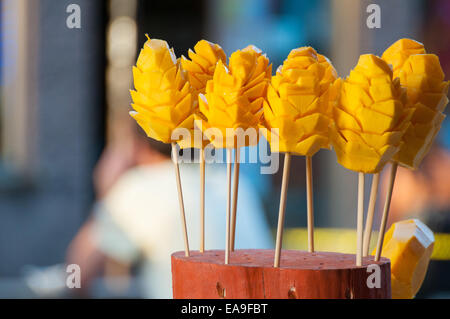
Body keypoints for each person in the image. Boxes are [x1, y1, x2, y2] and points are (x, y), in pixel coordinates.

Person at [66, 129, 273, 298]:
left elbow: (77, 272)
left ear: (138, 145)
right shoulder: (233, 182)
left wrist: (105, 194)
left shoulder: (140, 187)